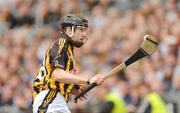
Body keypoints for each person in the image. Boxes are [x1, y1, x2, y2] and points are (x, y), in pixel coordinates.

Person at [32, 14, 105, 113]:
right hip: (50, 99)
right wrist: (88, 80)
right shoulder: (61, 44)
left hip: (56, 100)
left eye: (85, 30)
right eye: (81, 30)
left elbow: (57, 79)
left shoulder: (68, 49)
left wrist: (73, 89)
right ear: (69, 30)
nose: (84, 34)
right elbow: (57, 75)